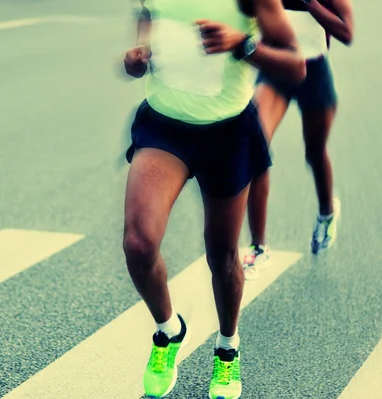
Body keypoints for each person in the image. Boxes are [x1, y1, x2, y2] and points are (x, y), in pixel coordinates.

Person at [122, 0, 305, 397]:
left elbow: (296, 66)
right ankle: (168, 331)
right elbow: (147, 15)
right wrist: (139, 53)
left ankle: (227, 348)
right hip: (163, 127)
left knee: (222, 257)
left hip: (228, 135)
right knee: (138, 244)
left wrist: (242, 44)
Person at [242, 0, 354, 274]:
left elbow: (347, 33)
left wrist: (310, 4)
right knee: (255, 145)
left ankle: (327, 213)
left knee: (315, 152)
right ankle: (258, 247)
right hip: (275, 70)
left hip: (314, 72)